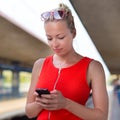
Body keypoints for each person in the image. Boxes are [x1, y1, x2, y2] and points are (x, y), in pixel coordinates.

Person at [25, 3, 108, 120]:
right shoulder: (40, 65)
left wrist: (65, 103)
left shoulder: (93, 68)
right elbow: (29, 112)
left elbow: (102, 116)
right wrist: (43, 102)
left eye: (60, 37)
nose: (54, 44)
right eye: (49, 38)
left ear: (73, 33)